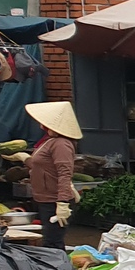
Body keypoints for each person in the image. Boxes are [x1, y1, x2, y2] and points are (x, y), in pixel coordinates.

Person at [22, 101, 81, 250]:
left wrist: (62, 202)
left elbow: (64, 173)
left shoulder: (61, 144)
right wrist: (24, 159)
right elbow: (46, 167)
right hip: (46, 199)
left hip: (55, 201)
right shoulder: (49, 141)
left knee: (52, 243)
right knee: (49, 241)